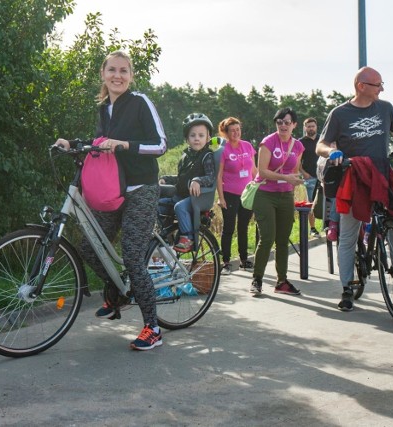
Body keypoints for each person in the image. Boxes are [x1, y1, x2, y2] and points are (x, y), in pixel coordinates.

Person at [55, 50, 167, 351]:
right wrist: (73, 143)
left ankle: (152, 328)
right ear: (103, 73)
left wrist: (126, 145)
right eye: (112, 70)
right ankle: (119, 293)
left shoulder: (140, 102)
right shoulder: (105, 108)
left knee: (132, 256)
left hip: (141, 188)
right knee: (89, 248)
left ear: (131, 75)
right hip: (113, 190)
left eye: (124, 70)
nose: (118, 75)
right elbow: (99, 142)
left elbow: (161, 145)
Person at [316, 66, 393, 312]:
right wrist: (332, 152)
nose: (382, 89)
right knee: (348, 235)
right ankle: (346, 288)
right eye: (378, 84)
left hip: (381, 175)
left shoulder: (385, 108)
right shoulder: (339, 114)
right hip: (353, 178)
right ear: (361, 86)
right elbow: (320, 145)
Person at [249, 107, 305, 296]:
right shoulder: (268, 142)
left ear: (294, 125)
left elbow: (295, 170)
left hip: (286, 195)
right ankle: (257, 279)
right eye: (279, 122)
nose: (283, 125)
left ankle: (282, 281)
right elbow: (262, 171)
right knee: (267, 238)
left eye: (287, 122)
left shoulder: (297, 146)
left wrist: (295, 180)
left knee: (283, 240)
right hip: (265, 194)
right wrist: (288, 178)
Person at [159, 113, 216, 252]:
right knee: (157, 205)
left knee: (180, 207)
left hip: (197, 198)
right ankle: (165, 236)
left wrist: (198, 180)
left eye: (201, 135)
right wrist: (166, 179)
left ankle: (188, 238)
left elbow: (211, 177)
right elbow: (181, 178)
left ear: (208, 137)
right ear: (187, 138)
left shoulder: (207, 156)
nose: (197, 139)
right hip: (181, 195)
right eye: (193, 135)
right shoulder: (186, 156)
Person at [215, 117, 257, 275]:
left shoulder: (247, 146)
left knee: (243, 227)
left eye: (238, 129)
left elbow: (254, 170)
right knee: (229, 228)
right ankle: (225, 262)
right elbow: (219, 176)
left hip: (247, 194)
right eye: (232, 130)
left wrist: (260, 186)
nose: (236, 133)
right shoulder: (222, 149)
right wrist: (221, 197)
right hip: (230, 194)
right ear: (225, 132)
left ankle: (244, 260)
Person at [298, 117, 321, 237]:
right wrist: (303, 173)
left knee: (325, 202)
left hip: (323, 177)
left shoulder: (322, 140)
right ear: (304, 128)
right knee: (311, 203)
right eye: (308, 126)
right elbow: (297, 161)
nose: (311, 128)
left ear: (316, 127)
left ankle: (328, 225)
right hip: (309, 177)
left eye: (313, 126)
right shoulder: (300, 142)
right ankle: (313, 228)